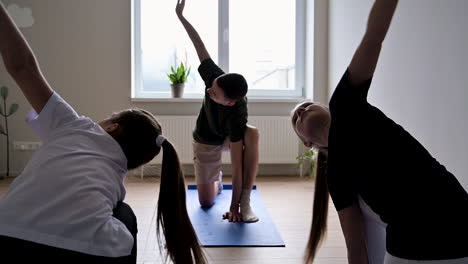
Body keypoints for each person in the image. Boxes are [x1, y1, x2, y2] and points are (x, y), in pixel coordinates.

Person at [0, 2, 205, 263]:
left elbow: (22, 67)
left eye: (108, 117)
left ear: (113, 126)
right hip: (84, 251)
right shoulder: (115, 177)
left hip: (7, 234)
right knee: (124, 214)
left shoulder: (74, 125)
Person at [291, 0, 468, 263]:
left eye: (307, 104)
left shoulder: (347, 105)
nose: (302, 109)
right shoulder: (335, 175)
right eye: (296, 118)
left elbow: (373, 37)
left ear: (326, 108)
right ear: (307, 143)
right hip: (413, 240)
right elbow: (356, 246)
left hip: (456, 213)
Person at [176, 0, 260, 223]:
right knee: (205, 202)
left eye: (214, 94)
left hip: (227, 136)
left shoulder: (237, 114)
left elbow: (237, 166)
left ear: (230, 103)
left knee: (252, 133)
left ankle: (245, 199)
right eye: (211, 88)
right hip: (206, 137)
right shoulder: (214, 77)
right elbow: (199, 46)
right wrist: (181, 16)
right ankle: (215, 181)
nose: (209, 91)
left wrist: (235, 208)